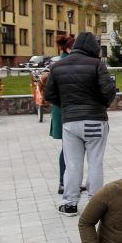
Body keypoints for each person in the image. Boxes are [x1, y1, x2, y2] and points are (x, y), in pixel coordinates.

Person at [44, 32, 118, 216]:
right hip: (95, 120)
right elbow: (109, 91)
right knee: (95, 162)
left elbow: (49, 95)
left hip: (70, 123)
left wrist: (68, 104)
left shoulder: (58, 66)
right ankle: (95, 203)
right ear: (93, 48)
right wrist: (101, 105)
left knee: (72, 164)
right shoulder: (97, 65)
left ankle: (69, 204)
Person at [50, 34, 75, 194]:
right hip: (66, 111)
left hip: (62, 110)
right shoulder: (65, 64)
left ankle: (68, 181)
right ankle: (63, 182)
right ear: (69, 48)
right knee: (68, 148)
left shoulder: (59, 63)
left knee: (69, 148)